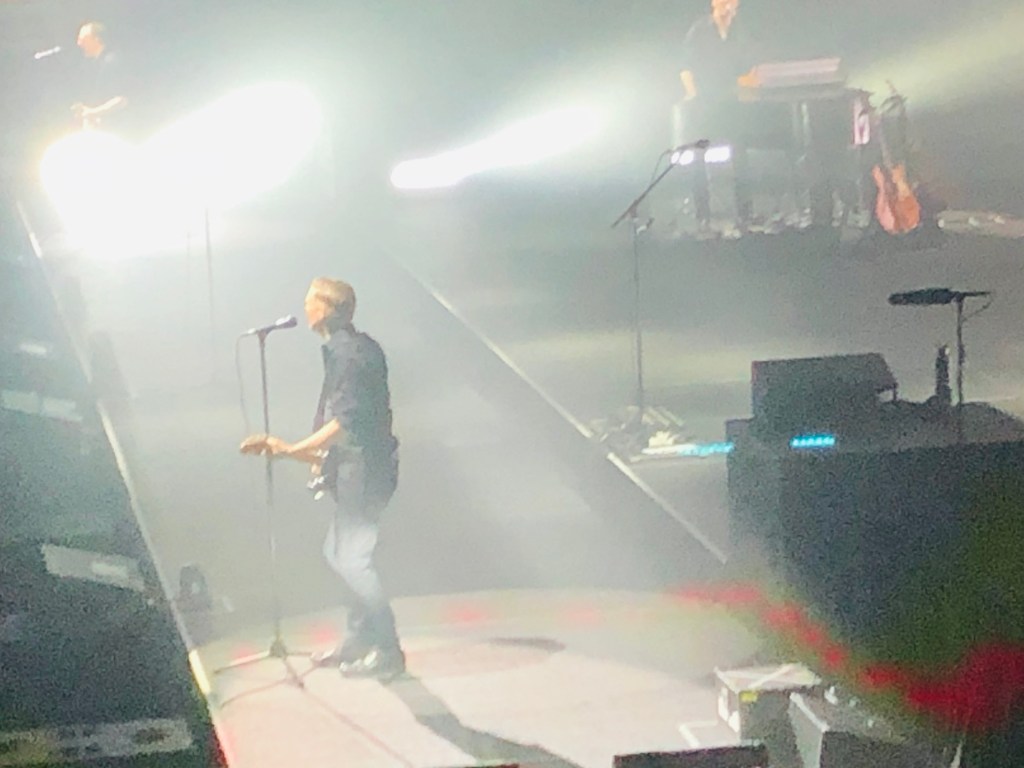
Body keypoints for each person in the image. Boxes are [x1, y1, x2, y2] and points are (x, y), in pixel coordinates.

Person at [240, 277, 404, 681]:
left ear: (328, 309)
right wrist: (312, 456)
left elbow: (346, 422)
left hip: (364, 472)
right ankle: (359, 637)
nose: (305, 308)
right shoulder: (351, 349)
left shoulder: (349, 355)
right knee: (340, 554)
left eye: (310, 302)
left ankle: (388, 649)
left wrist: (291, 449)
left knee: (352, 560)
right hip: (360, 467)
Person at [677, 0, 760, 227]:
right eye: (724, 3)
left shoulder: (740, 32)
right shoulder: (699, 30)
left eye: (732, 4)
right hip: (704, 102)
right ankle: (702, 214)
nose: (728, 8)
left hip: (731, 102)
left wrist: (749, 81)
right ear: (714, 4)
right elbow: (685, 67)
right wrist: (692, 95)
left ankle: (745, 212)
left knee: (740, 154)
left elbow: (749, 66)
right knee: (699, 157)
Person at [72, 21, 128, 130]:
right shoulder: (89, 64)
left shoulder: (112, 62)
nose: (79, 43)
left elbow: (122, 99)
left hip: (117, 127)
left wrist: (93, 112)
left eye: (83, 39)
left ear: (96, 39)